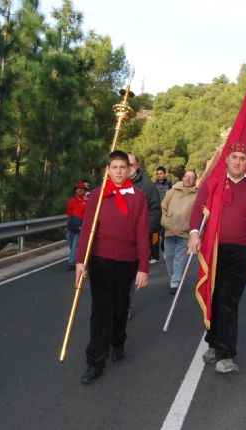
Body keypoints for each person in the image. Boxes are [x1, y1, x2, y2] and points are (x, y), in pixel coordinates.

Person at [188, 143, 246, 374]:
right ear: (227, 159)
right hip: (212, 250)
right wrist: (194, 233)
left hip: (240, 254)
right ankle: (213, 343)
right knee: (213, 298)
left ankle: (225, 355)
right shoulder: (212, 184)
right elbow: (197, 210)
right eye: (234, 157)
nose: (238, 162)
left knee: (228, 302)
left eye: (243, 158)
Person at [74, 150, 150, 384]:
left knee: (120, 308)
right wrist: (80, 261)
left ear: (129, 169)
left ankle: (118, 342)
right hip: (100, 260)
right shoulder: (97, 196)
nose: (118, 171)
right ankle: (95, 361)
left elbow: (142, 232)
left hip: (127, 261)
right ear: (108, 169)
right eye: (114, 167)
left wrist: (143, 268)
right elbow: (87, 228)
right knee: (100, 311)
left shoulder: (138, 198)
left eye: (122, 167)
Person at [161, 170, 198, 294]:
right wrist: (165, 222)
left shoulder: (197, 195)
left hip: (184, 232)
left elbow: (199, 214)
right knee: (169, 257)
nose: (188, 179)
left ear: (195, 181)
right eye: (186, 176)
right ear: (182, 178)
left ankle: (175, 282)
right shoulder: (172, 191)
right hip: (169, 230)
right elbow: (163, 207)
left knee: (179, 258)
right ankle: (174, 278)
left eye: (191, 177)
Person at [127, 153, 162, 264]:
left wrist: (146, 232)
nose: (128, 168)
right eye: (125, 164)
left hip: (139, 239)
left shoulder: (148, 185)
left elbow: (155, 211)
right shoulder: (114, 184)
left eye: (131, 165)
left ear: (138, 165)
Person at [65, 181, 88, 270]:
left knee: (75, 244)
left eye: (82, 189)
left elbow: (89, 214)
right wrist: (70, 223)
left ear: (85, 190)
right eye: (79, 189)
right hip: (71, 226)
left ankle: (72, 262)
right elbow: (69, 213)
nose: (80, 190)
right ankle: (77, 256)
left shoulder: (87, 201)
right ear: (76, 190)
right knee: (70, 242)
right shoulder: (71, 201)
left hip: (81, 226)